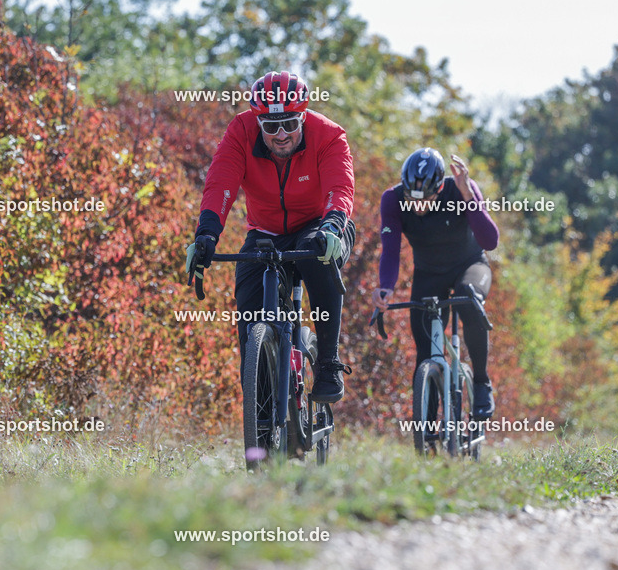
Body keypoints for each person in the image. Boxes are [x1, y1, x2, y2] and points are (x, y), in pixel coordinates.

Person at [185, 71, 356, 402]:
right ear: (257, 121)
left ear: (303, 118)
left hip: (321, 226)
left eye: (290, 124)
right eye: (270, 126)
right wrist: (206, 234)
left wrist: (332, 225)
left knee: (316, 252)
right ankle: (259, 405)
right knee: (248, 294)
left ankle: (328, 363)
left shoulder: (329, 135)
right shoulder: (240, 132)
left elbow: (341, 187)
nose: (280, 134)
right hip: (266, 231)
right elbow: (221, 183)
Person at [371, 148, 499, 418]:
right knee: (426, 350)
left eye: (426, 199)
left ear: (440, 188)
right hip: (429, 273)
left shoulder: (461, 189)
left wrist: (468, 195)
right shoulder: (392, 200)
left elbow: (490, 241)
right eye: (412, 199)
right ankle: (426, 426)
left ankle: (481, 381)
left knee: (468, 297)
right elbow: (391, 250)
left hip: (470, 265)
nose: (418, 206)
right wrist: (385, 287)